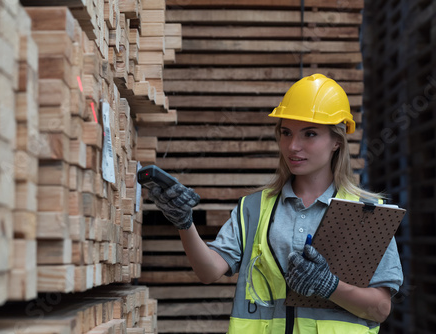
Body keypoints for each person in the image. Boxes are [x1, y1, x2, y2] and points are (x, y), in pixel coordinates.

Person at [148, 74, 403, 333]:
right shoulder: (254, 208)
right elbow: (209, 272)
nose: (293, 146)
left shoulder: (366, 214)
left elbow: (380, 310)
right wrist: (184, 222)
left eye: (310, 134)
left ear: (336, 141)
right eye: (286, 133)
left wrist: (330, 286)